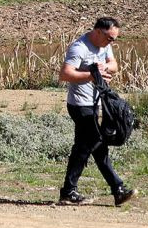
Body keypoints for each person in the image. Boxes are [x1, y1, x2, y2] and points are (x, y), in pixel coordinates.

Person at [58, 17, 136, 207]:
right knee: (94, 143)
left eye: (114, 38)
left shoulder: (104, 45)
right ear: (98, 31)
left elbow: (114, 65)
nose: (112, 42)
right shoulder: (80, 47)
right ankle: (115, 188)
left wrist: (105, 68)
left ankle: (73, 191)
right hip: (79, 104)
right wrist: (92, 75)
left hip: (96, 103)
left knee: (90, 146)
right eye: (110, 37)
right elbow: (65, 74)